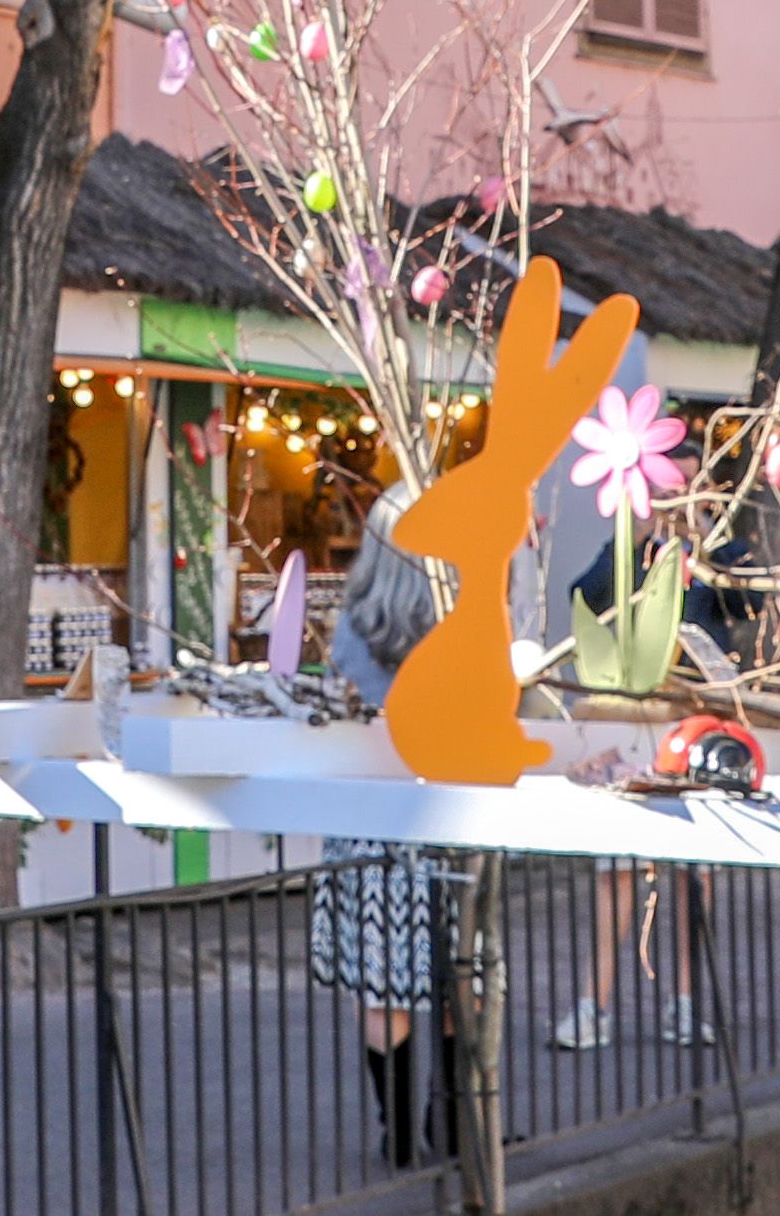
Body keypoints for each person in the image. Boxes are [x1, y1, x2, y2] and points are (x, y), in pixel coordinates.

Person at [305, 487, 462, 1166]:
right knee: (464, 978)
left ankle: (395, 1129)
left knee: (381, 985)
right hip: (447, 814)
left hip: (366, 823)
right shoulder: (457, 628)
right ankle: (452, 1122)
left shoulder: (350, 630)